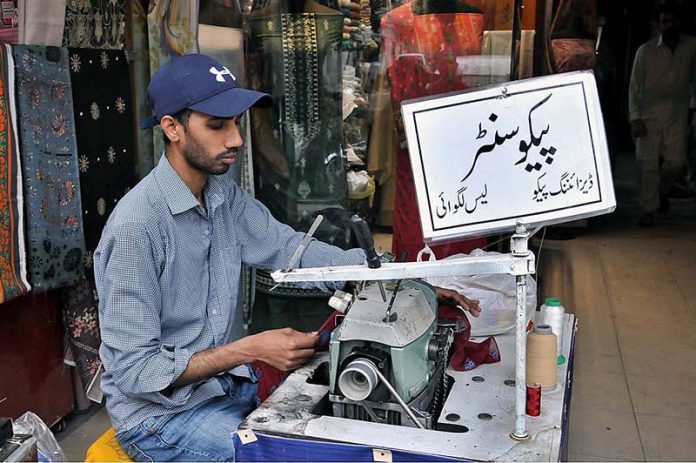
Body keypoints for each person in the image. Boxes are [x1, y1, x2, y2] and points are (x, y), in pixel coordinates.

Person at [94, 53, 481, 462]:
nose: (236, 140)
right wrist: (248, 349)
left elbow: (292, 251)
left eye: (236, 122)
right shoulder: (137, 228)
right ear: (171, 127)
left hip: (223, 386)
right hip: (161, 417)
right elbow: (137, 372)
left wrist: (397, 277)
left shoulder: (221, 196)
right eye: (217, 125)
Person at [629, 0, 696, 227]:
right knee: (647, 165)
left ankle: (661, 192)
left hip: (677, 112)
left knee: (676, 163)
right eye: (665, 22)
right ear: (658, 24)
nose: (669, 25)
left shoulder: (691, 47)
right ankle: (649, 210)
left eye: (673, 21)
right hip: (648, 113)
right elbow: (634, 86)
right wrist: (634, 117)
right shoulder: (646, 51)